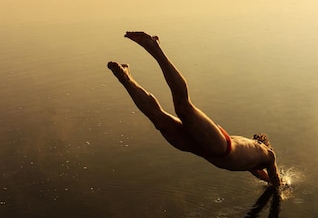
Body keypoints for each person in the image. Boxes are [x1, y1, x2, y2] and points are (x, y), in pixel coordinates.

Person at [107, 31, 281, 186]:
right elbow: (276, 181)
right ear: (263, 143)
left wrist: (268, 180)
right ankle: (154, 48)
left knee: (160, 120)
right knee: (183, 108)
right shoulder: (269, 156)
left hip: (205, 149)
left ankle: (126, 79)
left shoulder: (253, 159)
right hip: (218, 148)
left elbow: (260, 175)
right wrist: (283, 186)